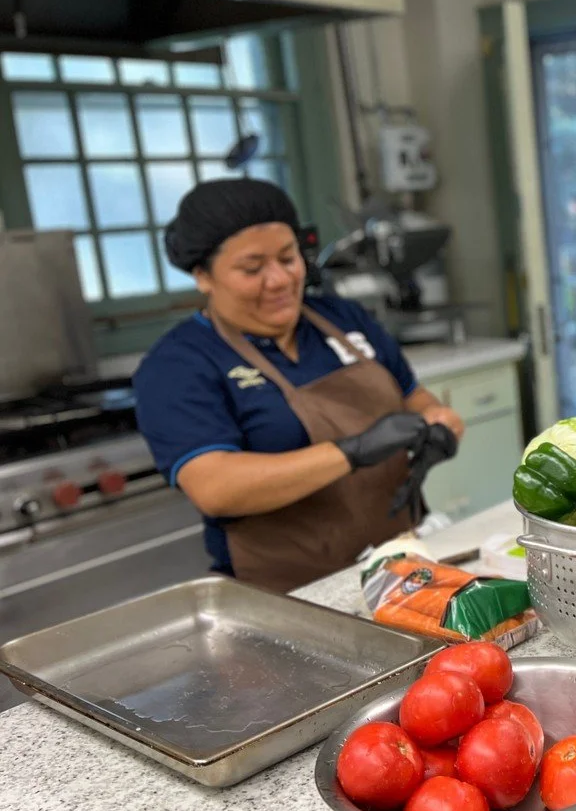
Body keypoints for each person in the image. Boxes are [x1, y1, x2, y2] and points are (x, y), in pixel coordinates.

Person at [133, 178, 464, 593]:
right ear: (203, 275)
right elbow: (215, 486)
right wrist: (353, 451)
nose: (278, 280)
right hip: (288, 594)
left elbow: (415, 398)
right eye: (252, 269)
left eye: (289, 258)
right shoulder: (179, 364)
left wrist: (439, 424)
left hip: (404, 567)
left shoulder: (344, 319)